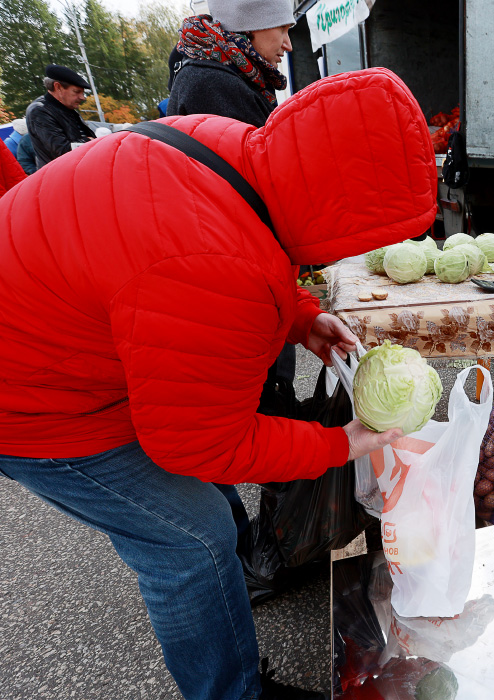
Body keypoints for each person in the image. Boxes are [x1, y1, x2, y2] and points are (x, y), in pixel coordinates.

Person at [0, 67, 437, 699]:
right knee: (193, 540)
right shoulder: (215, 271)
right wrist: (340, 444)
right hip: (34, 402)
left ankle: (228, 607)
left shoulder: (225, 140)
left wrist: (302, 317)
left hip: (64, 342)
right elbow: (198, 443)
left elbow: (244, 222)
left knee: (209, 507)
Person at [167, 0, 297, 558]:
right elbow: (237, 194)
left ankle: (269, 538)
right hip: (228, 282)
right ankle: (267, 546)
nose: (288, 43)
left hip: (236, 273)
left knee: (271, 399)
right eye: (283, 28)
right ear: (248, 21)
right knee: (259, 405)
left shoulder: (231, 70)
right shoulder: (210, 82)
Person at [167, 0, 294, 128]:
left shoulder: (217, 73)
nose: (288, 45)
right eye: (282, 29)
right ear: (250, 27)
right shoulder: (216, 84)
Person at [24, 64, 95, 168]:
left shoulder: (66, 108)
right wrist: (90, 141)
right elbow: (62, 150)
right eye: (77, 92)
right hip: (59, 177)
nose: (82, 97)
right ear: (58, 87)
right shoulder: (39, 110)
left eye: (82, 93)